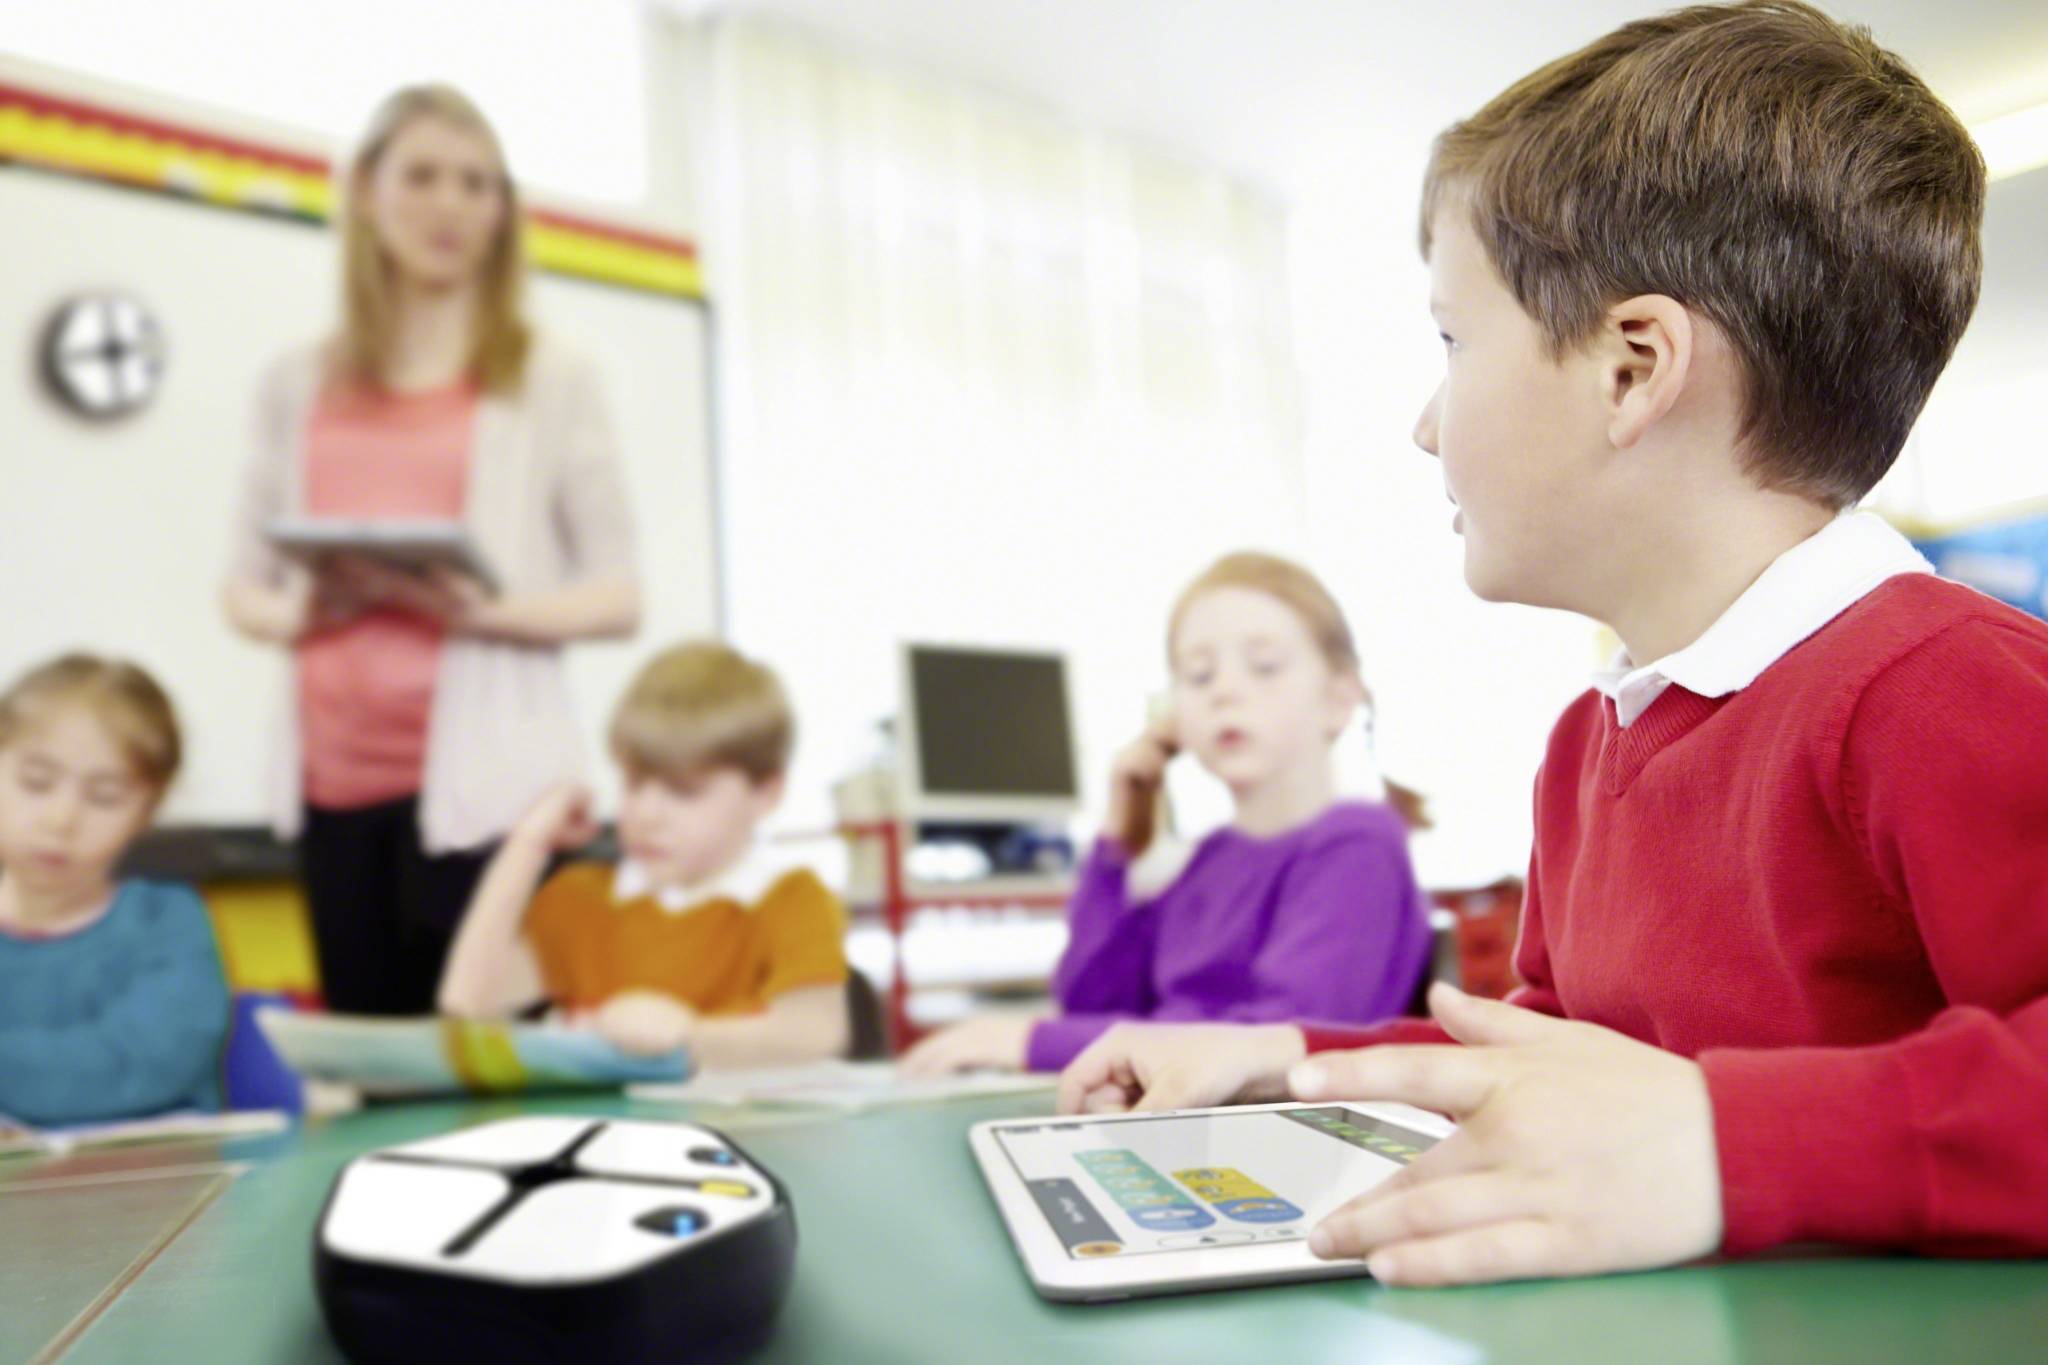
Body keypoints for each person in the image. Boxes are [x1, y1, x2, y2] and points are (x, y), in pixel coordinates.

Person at [1056, 0, 2048, 1285]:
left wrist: (1725, 1137)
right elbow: (1549, 1057)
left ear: (1631, 368)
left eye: (1451, 341)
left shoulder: (1944, 690)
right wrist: (1288, 1058)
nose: (1424, 424)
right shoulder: (1590, 745)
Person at [221, 85, 640, 1014]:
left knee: (491, 1064)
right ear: (367, 191)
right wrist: (307, 609)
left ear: (502, 212)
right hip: (333, 789)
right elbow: (242, 590)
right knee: (378, 1073)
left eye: (476, 184)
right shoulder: (296, 379)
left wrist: (481, 610)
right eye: (422, 176)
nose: (450, 205)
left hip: (491, 793)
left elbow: (619, 594)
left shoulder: (551, 374)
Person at [903, 552, 1430, 1076]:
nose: (1225, 690)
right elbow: (1090, 1003)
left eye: (1264, 666)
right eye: (1199, 675)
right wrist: (1116, 845)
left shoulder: (1358, 844)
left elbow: (1281, 1040)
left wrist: (1034, 1040)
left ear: (1339, 698)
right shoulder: (1208, 859)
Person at [438, 642, 851, 1067]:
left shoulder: (791, 898)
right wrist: (528, 841)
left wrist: (689, 1035)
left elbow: (815, 1034)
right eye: (633, 784)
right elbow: (467, 1004)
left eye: (683, 791)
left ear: (766, 793)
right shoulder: (579, 899)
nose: (645, 814)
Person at [0, 656, 230, 1126]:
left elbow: (143, 1064)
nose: (61, 820)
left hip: (155, 1186)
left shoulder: (168, 920)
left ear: (147, 811)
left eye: (104, 796)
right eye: (36, 783)